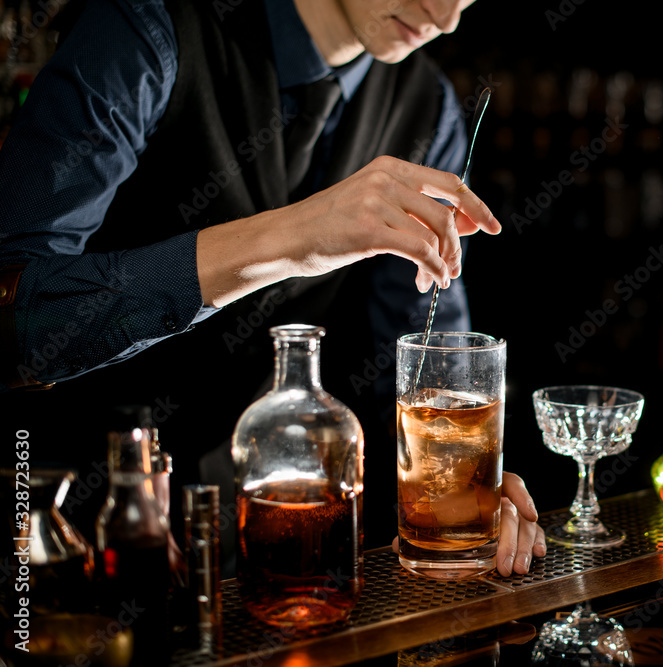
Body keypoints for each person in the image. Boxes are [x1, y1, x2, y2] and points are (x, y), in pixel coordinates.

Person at [0, 0, 545, 577]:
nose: (444, 13)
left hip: (268, 544)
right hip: (67, 525)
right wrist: (289, 237)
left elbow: (419, 364)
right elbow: (14, 321)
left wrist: (453, 484)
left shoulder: (427, 109)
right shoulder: (146, 29)